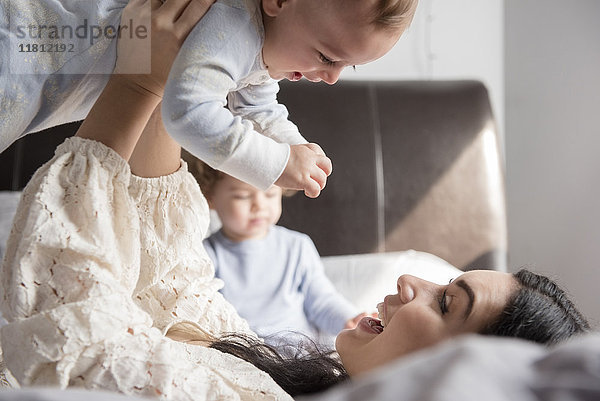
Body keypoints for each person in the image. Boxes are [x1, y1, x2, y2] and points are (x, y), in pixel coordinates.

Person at [0, 2, 591, 400]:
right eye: (445, 282)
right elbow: (169, 291)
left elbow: (66, 333)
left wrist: (138, 84)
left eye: (445, 304)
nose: (415, 279)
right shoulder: (281, 374)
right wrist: (170, 68)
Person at [0, 0, 418, 199]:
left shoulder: (260, 46)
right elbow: (188, 112)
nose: (330, 78)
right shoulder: (234, 25)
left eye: (348, 66)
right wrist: (276, 164)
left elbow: (258, 105)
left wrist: (291, 144)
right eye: (327, 56)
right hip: (28, 56)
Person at [187, 160, 371, 345]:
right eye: (242, 196)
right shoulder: (206, 255)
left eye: (269, 194)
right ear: (209, 196)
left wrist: (348, 320)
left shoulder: (297, 246)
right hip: (246, 352)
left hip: (300, 349)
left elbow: (322, 301)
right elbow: (208, 317)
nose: (259, 206)